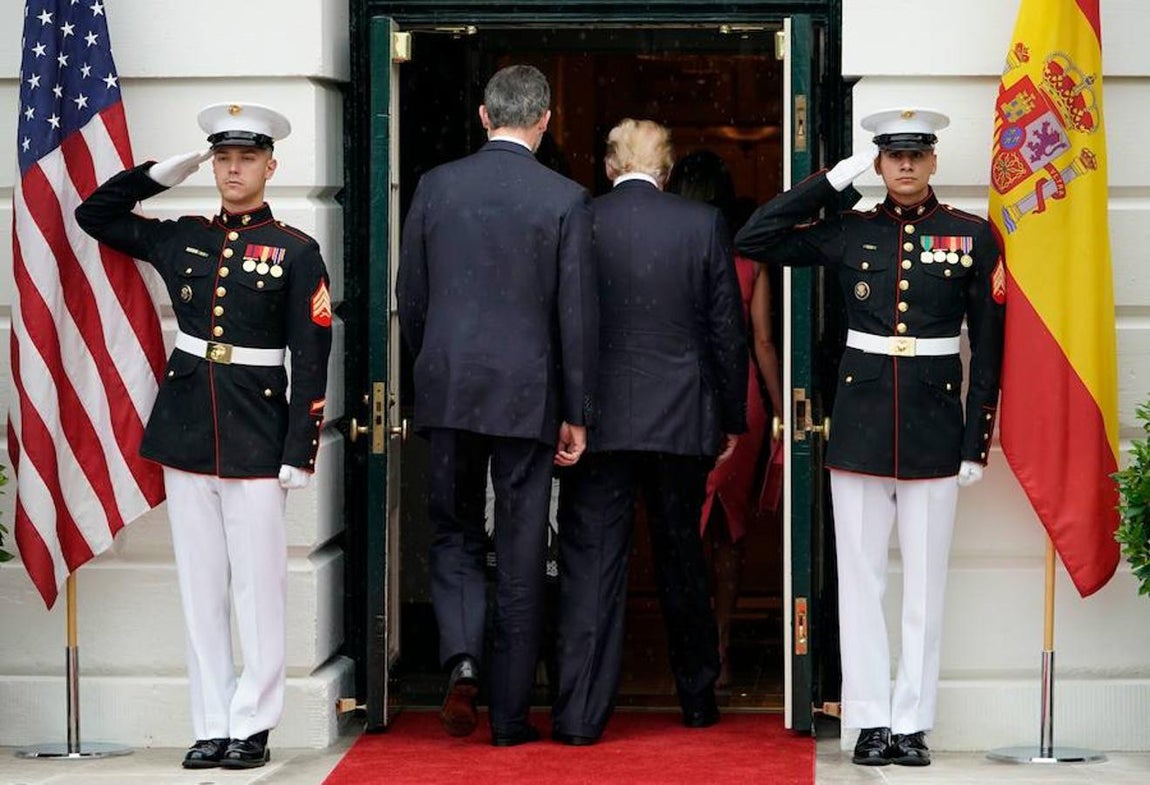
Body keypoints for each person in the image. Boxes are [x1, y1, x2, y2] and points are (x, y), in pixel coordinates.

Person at [735, 108, 1006, 767]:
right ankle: (870, 721)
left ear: (935, 161)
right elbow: (755, 236)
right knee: (859, 583)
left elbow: (990, 350)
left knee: (924, 586)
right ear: (880, 165)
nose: (906, 165)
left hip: (935, 431)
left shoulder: (971, 237)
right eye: (892, 156)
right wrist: (833, 179)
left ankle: (912, 722)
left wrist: (976, 440)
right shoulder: (847, 230)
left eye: (917, 154)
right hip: (858, 429)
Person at [75, 102, 332, 769]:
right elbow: (94, 215)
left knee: (258, 587)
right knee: (200, 586)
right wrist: (163, 172)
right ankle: (212, 722)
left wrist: (299, 449)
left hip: (255, 432)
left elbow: (311, 354)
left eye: (246, 158)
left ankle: (253, 722)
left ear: (270, 166)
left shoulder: (297, 252)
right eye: (222, 158)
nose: (233, 169)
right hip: (188, 427)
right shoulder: (183, 237)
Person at [395, 64, 595, 747]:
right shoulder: (565, 198)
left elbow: (410, 296)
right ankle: (509, 716)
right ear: (544, 120)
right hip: (528, 395)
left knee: (452, 529)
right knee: (518, 545)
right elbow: (573, 315)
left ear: (484, 116)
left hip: (449, 385)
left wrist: (432, 368)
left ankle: (462, 658)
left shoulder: (436, 186)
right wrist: (575, 409)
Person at [551, 120, 748, 745]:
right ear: (664, 172)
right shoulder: (699, 225)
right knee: (681, 560)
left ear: (609, 167)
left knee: (592, 564)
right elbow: (726, 329)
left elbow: (561, 320)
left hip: (598, 420)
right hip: (679, 417)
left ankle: (580, 714)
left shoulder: (582, 217)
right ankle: (696, 698)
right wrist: (731, 419)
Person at [665, 150, 785, 689]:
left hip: (678, 398)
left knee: (677, 530)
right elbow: (761, 340)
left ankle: (684, 654)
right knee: (728, 535)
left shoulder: (665, 248)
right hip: (740, 398)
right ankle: (720, 644)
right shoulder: (745, 256)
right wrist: (786, 411)